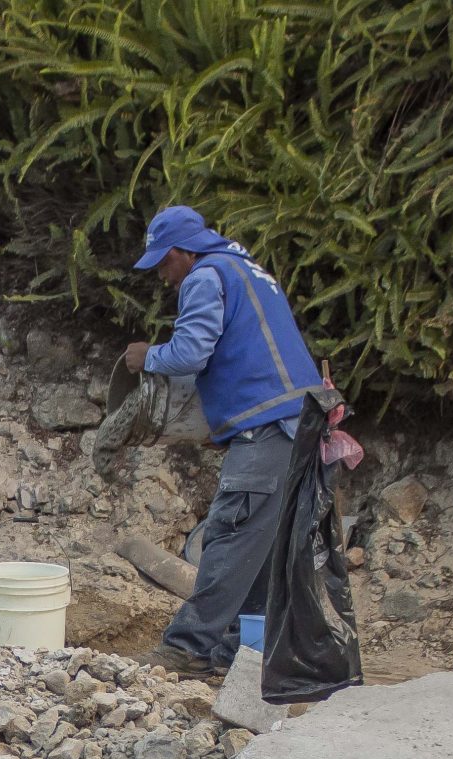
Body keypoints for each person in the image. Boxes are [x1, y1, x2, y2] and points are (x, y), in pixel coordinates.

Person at [123, 204, 325, 677]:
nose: (162, 278)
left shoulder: (204, 276)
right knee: (262, 548)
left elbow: (191, 352)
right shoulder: (247, 269)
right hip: (301, 424)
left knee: (230, 537)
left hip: (271, 427)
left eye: (162, 264)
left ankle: (184, 648)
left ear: (181, 252)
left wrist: (147, 356)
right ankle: (237, 655)